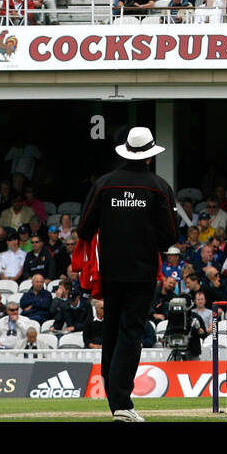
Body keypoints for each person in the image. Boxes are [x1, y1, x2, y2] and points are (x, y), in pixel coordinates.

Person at [76, 126, 179, 423]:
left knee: (111, 333)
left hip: (110, 271)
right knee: (131, 333)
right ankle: (122, 402)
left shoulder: (104, 184)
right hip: (143, 272)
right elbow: (170, 235)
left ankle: (115, 400)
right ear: (149, 155)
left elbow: (84, 229)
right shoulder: (159, 186)